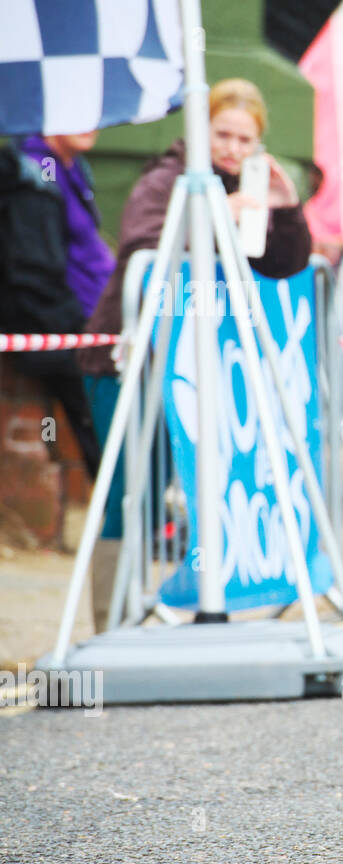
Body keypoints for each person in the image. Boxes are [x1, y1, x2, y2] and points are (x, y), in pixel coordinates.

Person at [77, 77, 312, 631]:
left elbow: (283, 263)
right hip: (129, 357)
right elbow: (140, 244)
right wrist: (218, 214)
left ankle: (179, 607)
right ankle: (108, 626)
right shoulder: (168, 177)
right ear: (202, 130)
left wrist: (288, 209)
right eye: (223, 134)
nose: (231, 147)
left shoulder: (248, 184)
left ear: (258, 144)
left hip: (196, 363)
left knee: (196, 485)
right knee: (126, 493)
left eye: (244, 139)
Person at [0, 131, 112, 480]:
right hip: (63, 331)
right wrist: (76, 326)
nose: (88, 122)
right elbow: (33, 268)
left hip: (91, 325)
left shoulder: (73, 167)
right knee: (88, 429)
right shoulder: (38, 171)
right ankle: (117, 518)